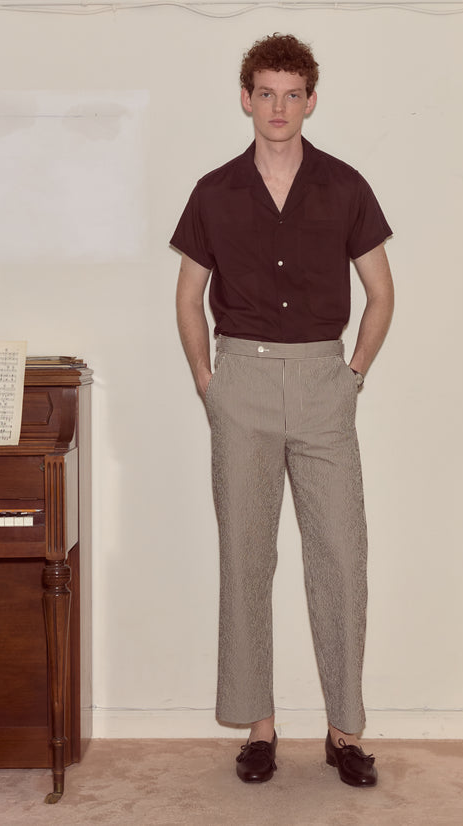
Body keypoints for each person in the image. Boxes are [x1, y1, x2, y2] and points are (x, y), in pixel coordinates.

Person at [171, 32, 393, 787]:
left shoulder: (345, 186)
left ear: (310, 101)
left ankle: (343, 731)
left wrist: (351, 375)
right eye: (265, 93)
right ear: (246, 98)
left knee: (342, 557)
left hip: (324, 383)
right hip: (243, 383)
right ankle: (259, 729)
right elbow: (188, 297)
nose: (278, 107)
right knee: (245, 556)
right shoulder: (213, 191)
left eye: (292, 95)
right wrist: (208, 381)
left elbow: (382, 293)